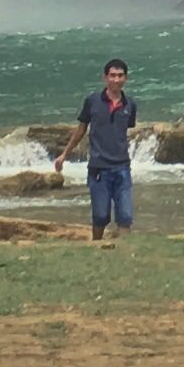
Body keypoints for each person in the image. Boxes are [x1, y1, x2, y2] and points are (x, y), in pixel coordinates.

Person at [51, 56, 139, 240]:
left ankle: (126, 251)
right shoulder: (92, 101)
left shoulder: (130, 105)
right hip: (99, 168)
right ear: (105, 78)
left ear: (126, 78)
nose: (116, 79)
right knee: (100, 216)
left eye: (120, 75)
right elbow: (81, 129)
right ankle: (96, 246)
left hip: (122, 167)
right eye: (112, 75)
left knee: (125, 215)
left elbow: (126, 129)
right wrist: (64, 155)